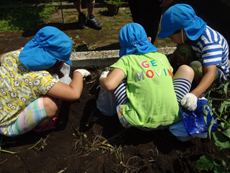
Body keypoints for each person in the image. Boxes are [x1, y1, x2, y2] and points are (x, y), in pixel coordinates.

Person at [99, 23, 195, 131]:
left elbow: (108, 85)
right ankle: (177, 110)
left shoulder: (126, 60)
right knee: (186, 69)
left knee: (113, 77)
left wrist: (103, 77)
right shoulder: (162, 57)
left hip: (142, 123)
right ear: (148, 40)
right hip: (173, 118)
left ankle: (128, 116)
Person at [0, 26, 91, 137]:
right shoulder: (41, 78)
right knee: (50, 104)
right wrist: (78, 74)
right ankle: (40, 127)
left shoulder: (10, 56)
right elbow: (74, 93)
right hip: (6, 126)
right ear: (58, 62)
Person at [158, 4, 229, 111]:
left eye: (171, 36)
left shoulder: (210, 42)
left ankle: (202, 90)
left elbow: (210, 73)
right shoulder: (188, 35)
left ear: (182, 30)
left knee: (195, 66)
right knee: (183, 50)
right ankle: (186, 77)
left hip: (215, 72)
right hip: (200, 60)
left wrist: (193, 95)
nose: (170, 39)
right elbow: (177, 52)